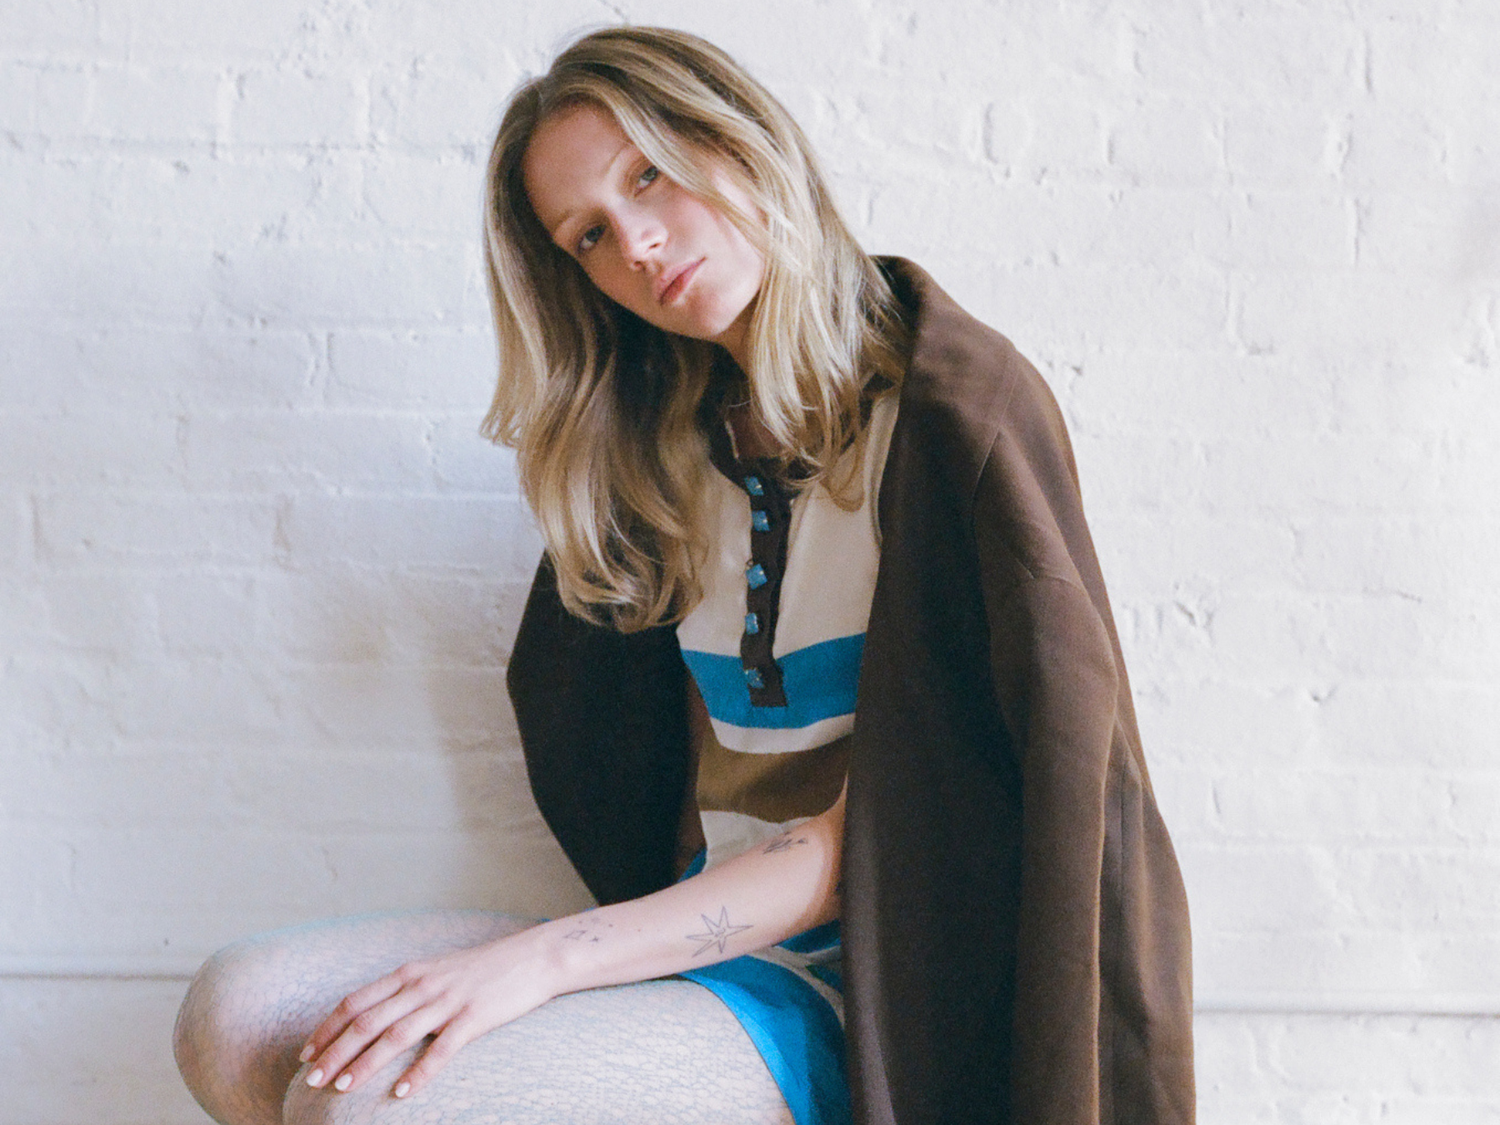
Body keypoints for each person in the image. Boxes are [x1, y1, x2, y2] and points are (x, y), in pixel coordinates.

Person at [174, 26, 1195, 1125]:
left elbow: (865, 847)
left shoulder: (949, 420)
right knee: (238, 1016)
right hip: (688, 932)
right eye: (592, 236)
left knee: (372, 1103)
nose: (641, 246)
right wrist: (582, 952)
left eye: (648, 174)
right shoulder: (658, 450)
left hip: (870, 987)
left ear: (740, 142)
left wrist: (548, 964)